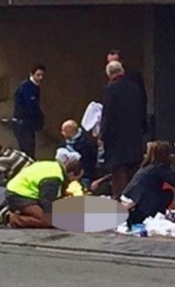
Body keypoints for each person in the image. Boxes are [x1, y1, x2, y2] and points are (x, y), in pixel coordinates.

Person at [0, 159, 83, 229]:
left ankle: (20, 212)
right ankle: (11, 218)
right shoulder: (54, 178)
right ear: (71, 174)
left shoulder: (54, 166)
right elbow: (46, 201)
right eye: (76, 178)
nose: (75, 181)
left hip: (19, 191)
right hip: (20, 195)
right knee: (47, 221)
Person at [121, 141, 175, 229]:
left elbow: (168, 175)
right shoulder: (159, 168)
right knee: (168, 193)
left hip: (130, 198)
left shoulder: (147, 167)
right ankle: (153, 214)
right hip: (140, 205)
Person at [100, 60, 146, 198]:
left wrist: (103, 135)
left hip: (116, 140)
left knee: (119, 174)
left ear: (110, 75)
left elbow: (108, 115)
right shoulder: (135, 88)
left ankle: (120, 202)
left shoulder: (110, 89)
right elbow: (142, 110)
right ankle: (134, 200)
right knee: (133, 172)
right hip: (134, 137)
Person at [106, 49, 149, 135]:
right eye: (109, 63)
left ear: (121, 62)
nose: (112, 66)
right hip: (116, 127)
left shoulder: (133, 79)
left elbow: (142, 100)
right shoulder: (108, 82)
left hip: (132, 124)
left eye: (115, 62)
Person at [12, 64, 46, 159]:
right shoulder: (26, 88)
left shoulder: (33, 87)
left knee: (29, 148)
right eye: (38, 75)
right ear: (32, 74)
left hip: (26, 124)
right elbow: (31, 107)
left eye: (42, 75)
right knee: (27, 150)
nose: (40, 78)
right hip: (23, 124)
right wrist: (39, 118)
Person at [60, 119, 97, 186]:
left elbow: (88, 162)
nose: (62, 133)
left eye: (64, 131)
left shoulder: (85, 143)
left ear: (70, 131)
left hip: (83, 175)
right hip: (69, 173)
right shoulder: (66, 140)